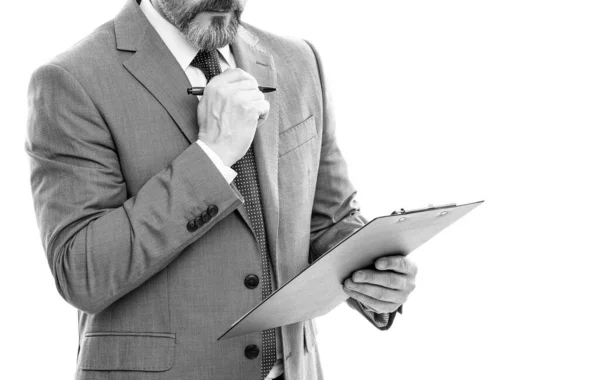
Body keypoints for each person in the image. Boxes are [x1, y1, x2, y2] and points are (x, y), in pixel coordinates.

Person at [25, 0, 418, 379]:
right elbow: (83, 272)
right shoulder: (72, 80)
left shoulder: (298, 61)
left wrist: (374, 276)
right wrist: (213, 156)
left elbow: (328, 221)